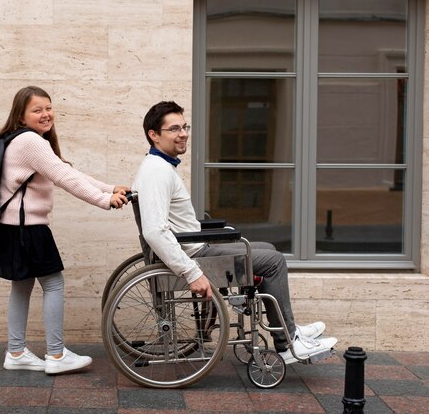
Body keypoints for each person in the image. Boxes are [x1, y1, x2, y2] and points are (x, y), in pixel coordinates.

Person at [131, 101, 337, 364]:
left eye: (184, 127)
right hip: (194, 256)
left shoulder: (159, 166)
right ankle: (287, 344)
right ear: (154, 134)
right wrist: (192, 273)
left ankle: (287, 326)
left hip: (194, 247)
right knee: (274, 262)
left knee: (268, 249)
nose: (183, 133)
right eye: (174, 129)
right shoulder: (157, 172)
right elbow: (155, 231)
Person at [0, 86, 129, 374]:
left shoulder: (20, 140)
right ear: (21, 116)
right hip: (29, 229)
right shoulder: (30, 142)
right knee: (53, 284)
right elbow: (64, 177)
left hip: (11, 228)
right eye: (37, 110)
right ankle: (57, 355)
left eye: (48, 107)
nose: (46, 114)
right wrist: (105, 200)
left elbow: (67, 171)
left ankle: (16, 352)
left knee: (22, 287)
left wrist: (109, 187)